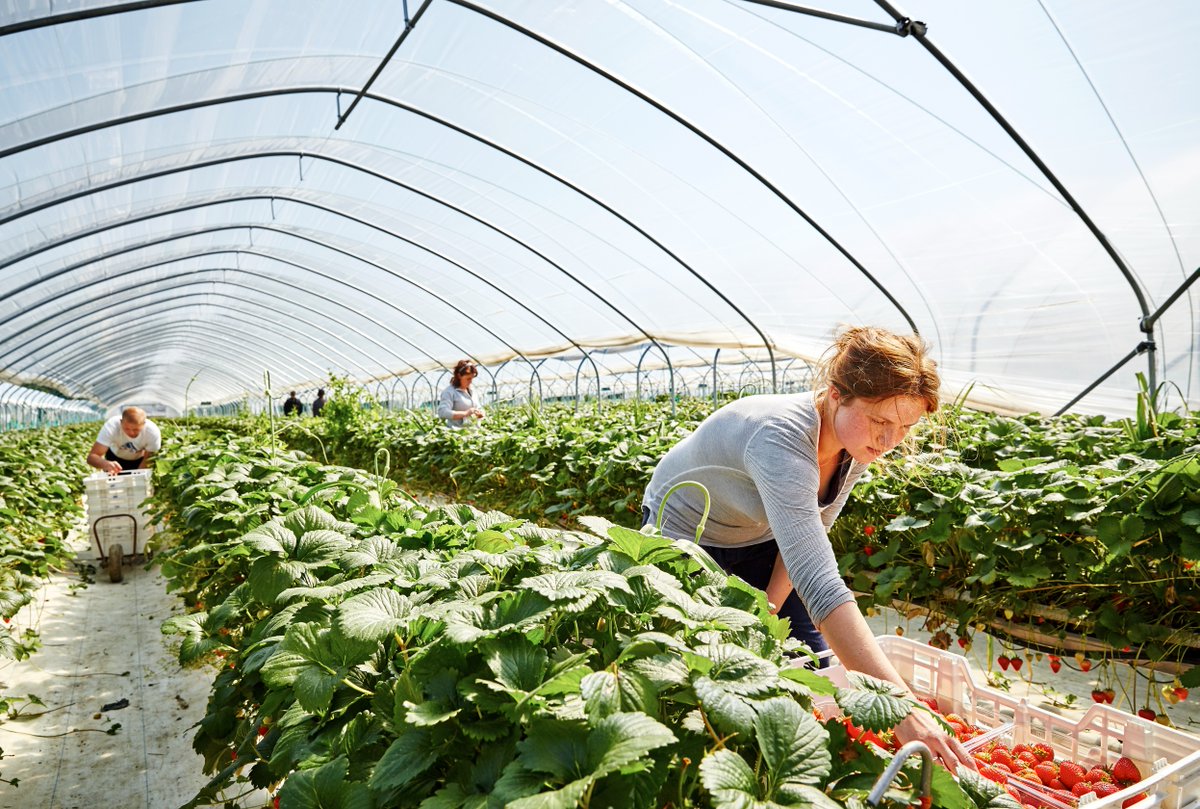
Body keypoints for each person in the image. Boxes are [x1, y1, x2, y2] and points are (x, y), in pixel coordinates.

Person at [642, 326, 972, 772]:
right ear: (836, 394)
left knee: (809, 665)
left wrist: (768, 611)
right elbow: (821, 583)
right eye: (881, 421)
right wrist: (902, 708)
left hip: (757, 534)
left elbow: (810, 535)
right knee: (694, 669)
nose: (891, 440)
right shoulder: (779, 438)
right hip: (686, 530)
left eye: (905, 427)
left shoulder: (855, 446)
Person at [87, 406, 162, 475]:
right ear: (121, 422)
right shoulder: (111, 426)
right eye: (127, 429)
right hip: (114, 457)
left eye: (136, 429)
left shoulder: (152, 432)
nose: (131, 433)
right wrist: (105, 464)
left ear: (144, 424)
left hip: (139, 460)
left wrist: (138, 475)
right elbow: (92, 457)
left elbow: (148, 459)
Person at [437, 360, 486, 428]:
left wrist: (481, 414)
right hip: (458, 435)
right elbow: (442, 412)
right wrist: (465, 413)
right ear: (459, 376)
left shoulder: (472, 391)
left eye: (472, 378)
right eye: (468, 379)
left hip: (474, 432)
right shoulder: (449, 392)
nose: (471, 381)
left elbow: (479, 407)